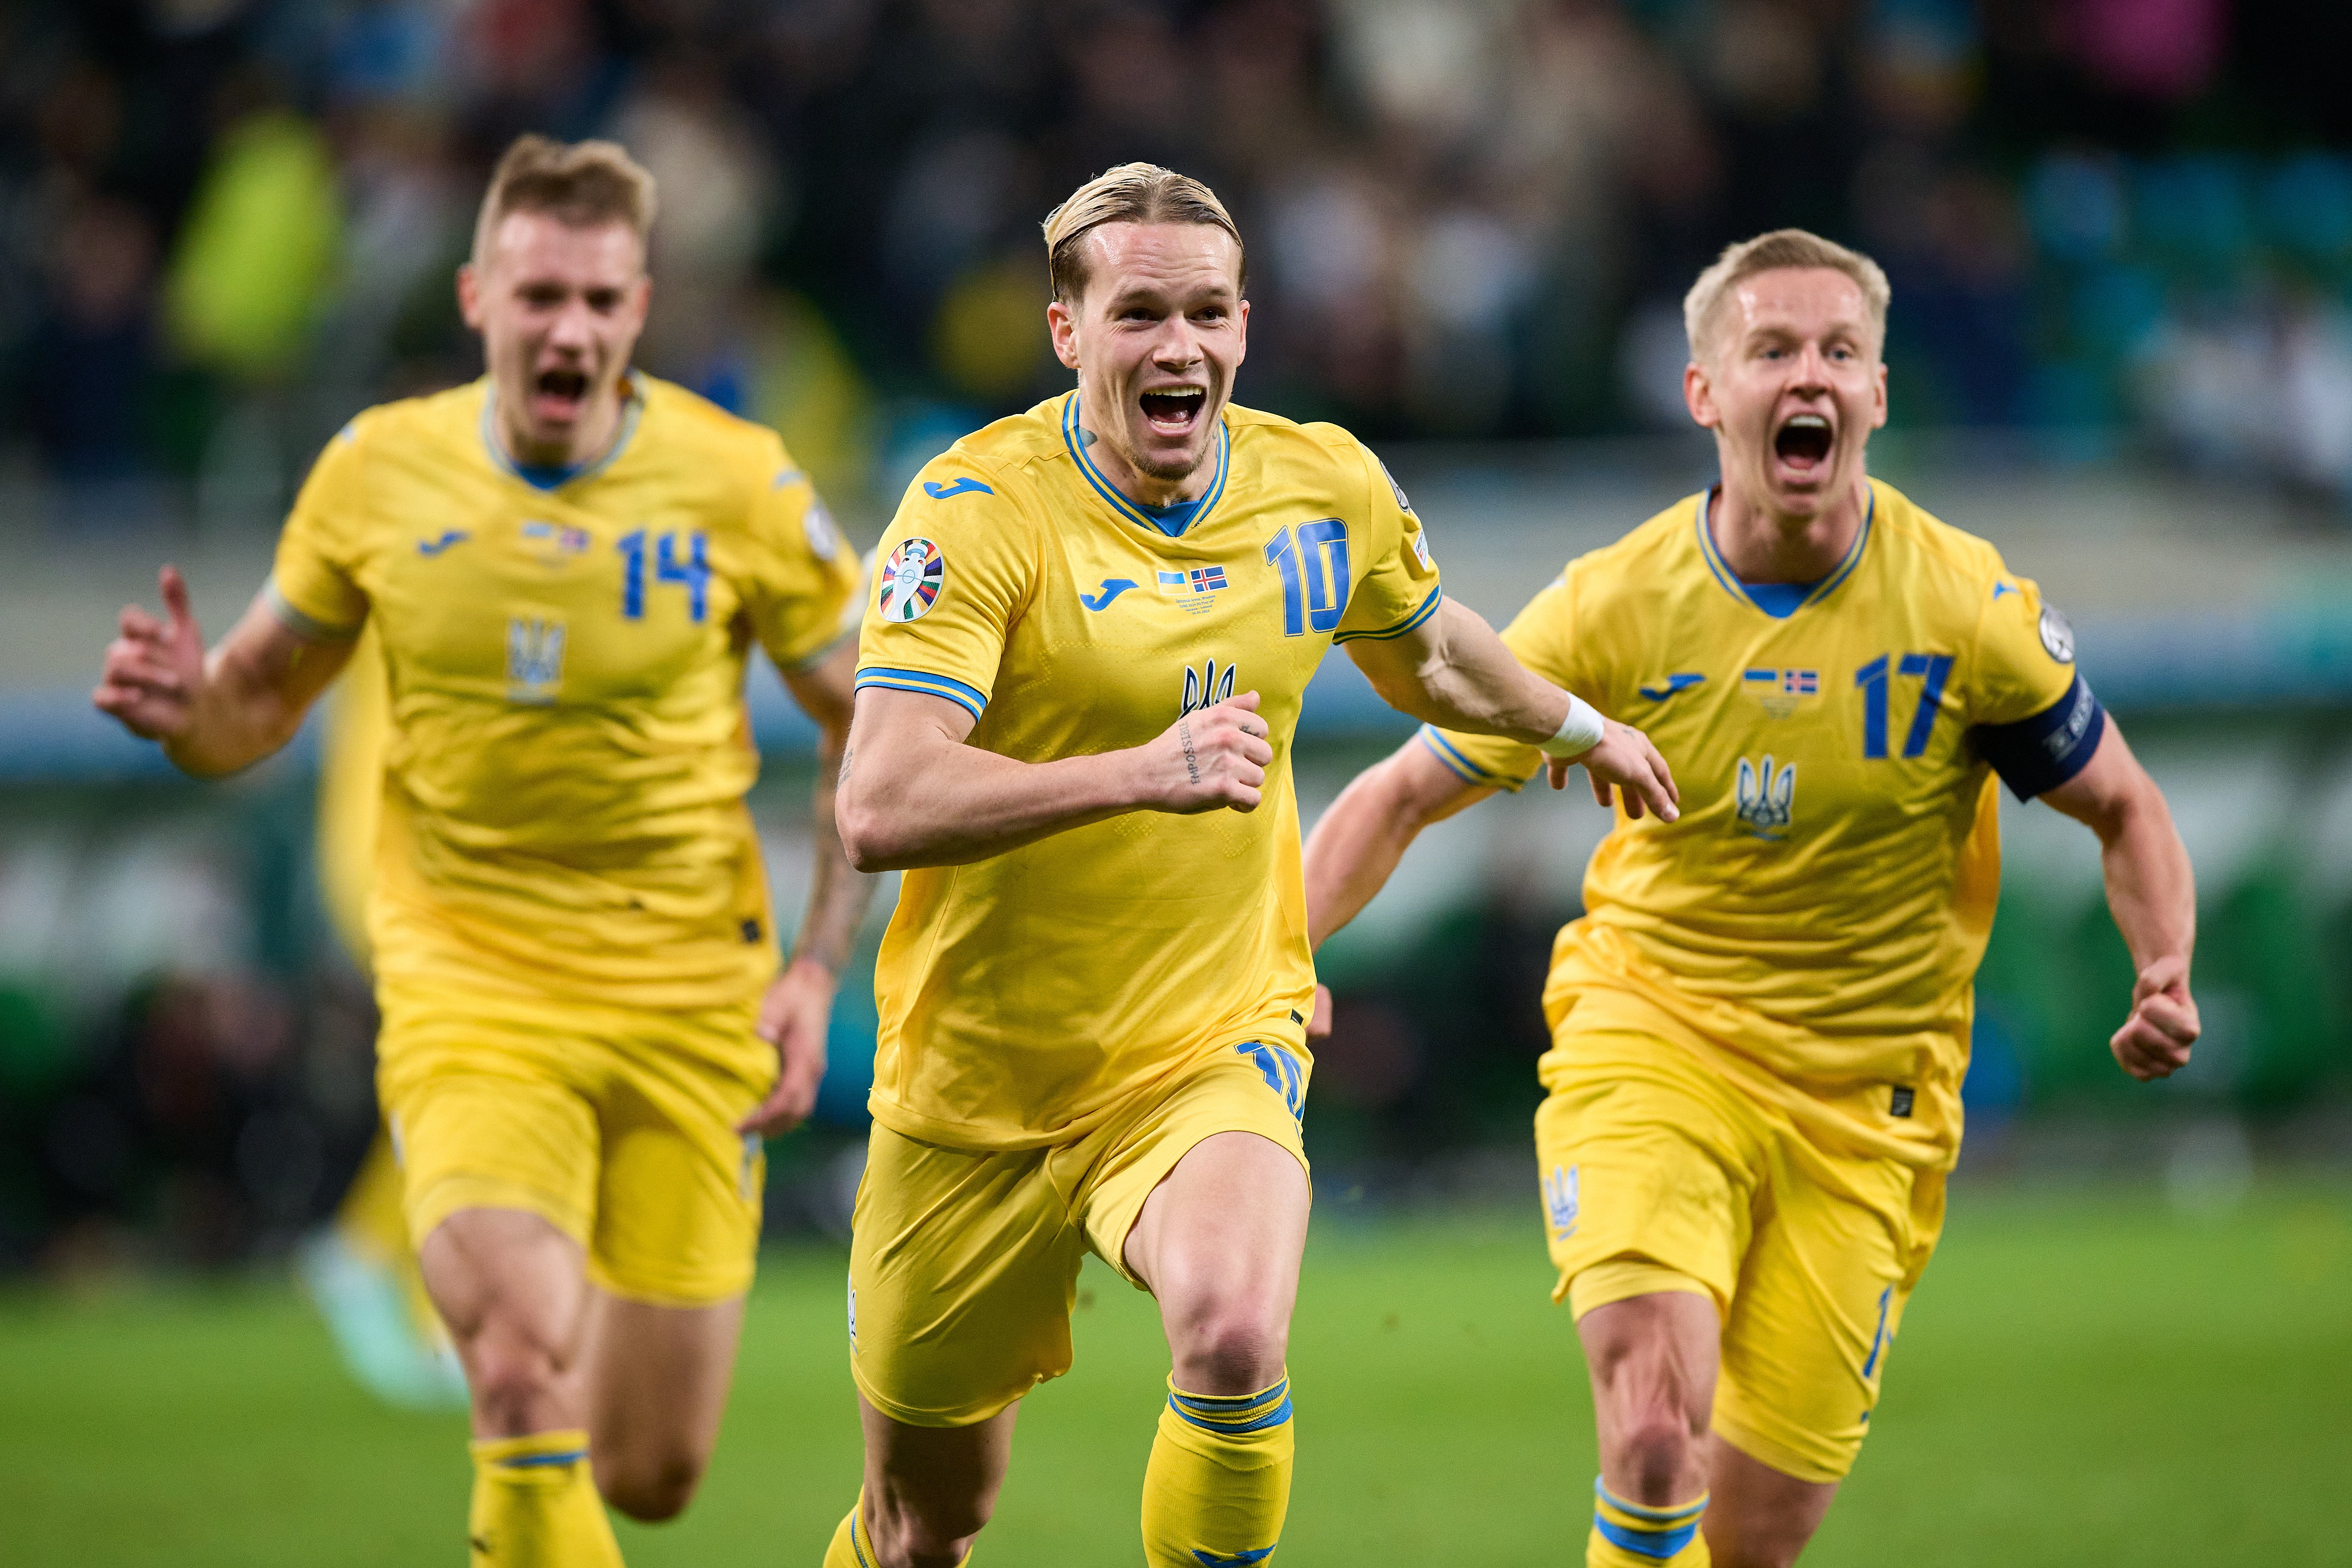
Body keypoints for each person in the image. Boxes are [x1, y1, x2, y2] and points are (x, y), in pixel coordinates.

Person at [820, 162, 1678, 1568]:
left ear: (1244, 324)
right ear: (1066, 331)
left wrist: (1577, 725)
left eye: (1208, 313)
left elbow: (1435, 648)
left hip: (1205, 1042)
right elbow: (881, 796)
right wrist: (1140, 774)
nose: (1179, 347)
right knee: (924, 1526)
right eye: (1140, 312)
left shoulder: (1319, 486)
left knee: (1227, 1329)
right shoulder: (972, 511)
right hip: (975, 1084)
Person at [1300, 229, 2201, 1567]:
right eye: (1771, 348)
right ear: (1702, 393)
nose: (1811, 376)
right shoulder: (1614, 608)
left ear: (1878, 396)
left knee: (1750, 1539)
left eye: (1839, 351)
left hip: (1870, 1107)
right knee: (1656, 1434)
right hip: (1653, 1041)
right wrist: (1275, 956)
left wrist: (2162, 966)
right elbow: (1393, 796)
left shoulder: (1964, 608)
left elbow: (2122, 803)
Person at [92, 135, 870, 1568]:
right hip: (471, 991)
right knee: (516, 1367)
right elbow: (251, 705)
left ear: (639, 308)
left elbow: (871, 724)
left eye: (596, 298)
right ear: (475, 299)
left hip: (692, 1001)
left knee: (649, 1471)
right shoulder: (377, 474)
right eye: (537, 294)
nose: (566, 326)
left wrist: (819, 969)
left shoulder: (739, 484)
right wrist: (185, 711)